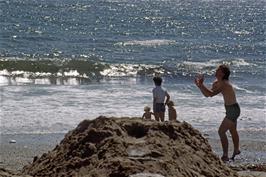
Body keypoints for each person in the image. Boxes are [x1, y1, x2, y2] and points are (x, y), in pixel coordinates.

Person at [194, 64, 241, 162]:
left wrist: (202, 85)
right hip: (231, 109)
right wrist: (200, 86)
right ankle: (236, 150)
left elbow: (210, 94)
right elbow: (208, 95)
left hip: (233, 110)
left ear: (223, 74)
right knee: (232, 130)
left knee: (221, 131)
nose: (216, 71)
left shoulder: (224, 84)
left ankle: (225, 156)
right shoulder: (217, 82)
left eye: (218, 70)